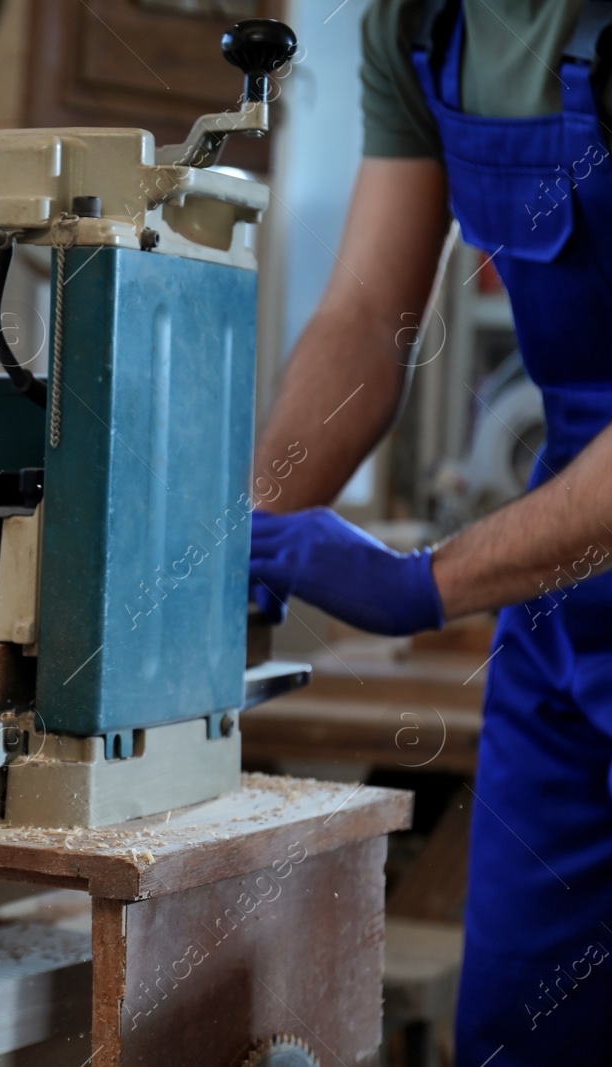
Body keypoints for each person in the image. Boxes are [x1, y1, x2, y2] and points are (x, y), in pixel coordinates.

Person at [249, 0, 612, 1061]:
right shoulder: (418, 25)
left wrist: (425, 581)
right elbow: (365, 314)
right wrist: (245, 537)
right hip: (565, 611)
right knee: (517, 1028)